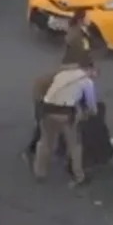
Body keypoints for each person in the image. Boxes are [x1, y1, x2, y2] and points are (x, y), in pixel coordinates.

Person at [34, 56, 98, 186]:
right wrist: (91, 113)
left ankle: (40, 172)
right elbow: (91, 105)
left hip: (46, 110)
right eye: (95, 71)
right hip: (65, 114)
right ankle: (79, 176)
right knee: (75, 145)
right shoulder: (87, 81)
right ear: (90, 69)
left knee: (46, 141)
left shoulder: (62, 74)